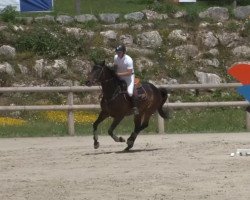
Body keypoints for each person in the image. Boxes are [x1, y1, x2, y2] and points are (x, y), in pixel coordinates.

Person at [114, 44, 139, 115]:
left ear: (123, 52)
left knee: (130, 92)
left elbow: (129, 72)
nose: (118, 54)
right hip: (119, 76)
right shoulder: (115, 57)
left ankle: (135, 107)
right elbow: (115, 67)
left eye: (120, 52)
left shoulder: (129, 60)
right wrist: (115, 74)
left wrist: (118, 74)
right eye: (117, 52)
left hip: (129, 77)